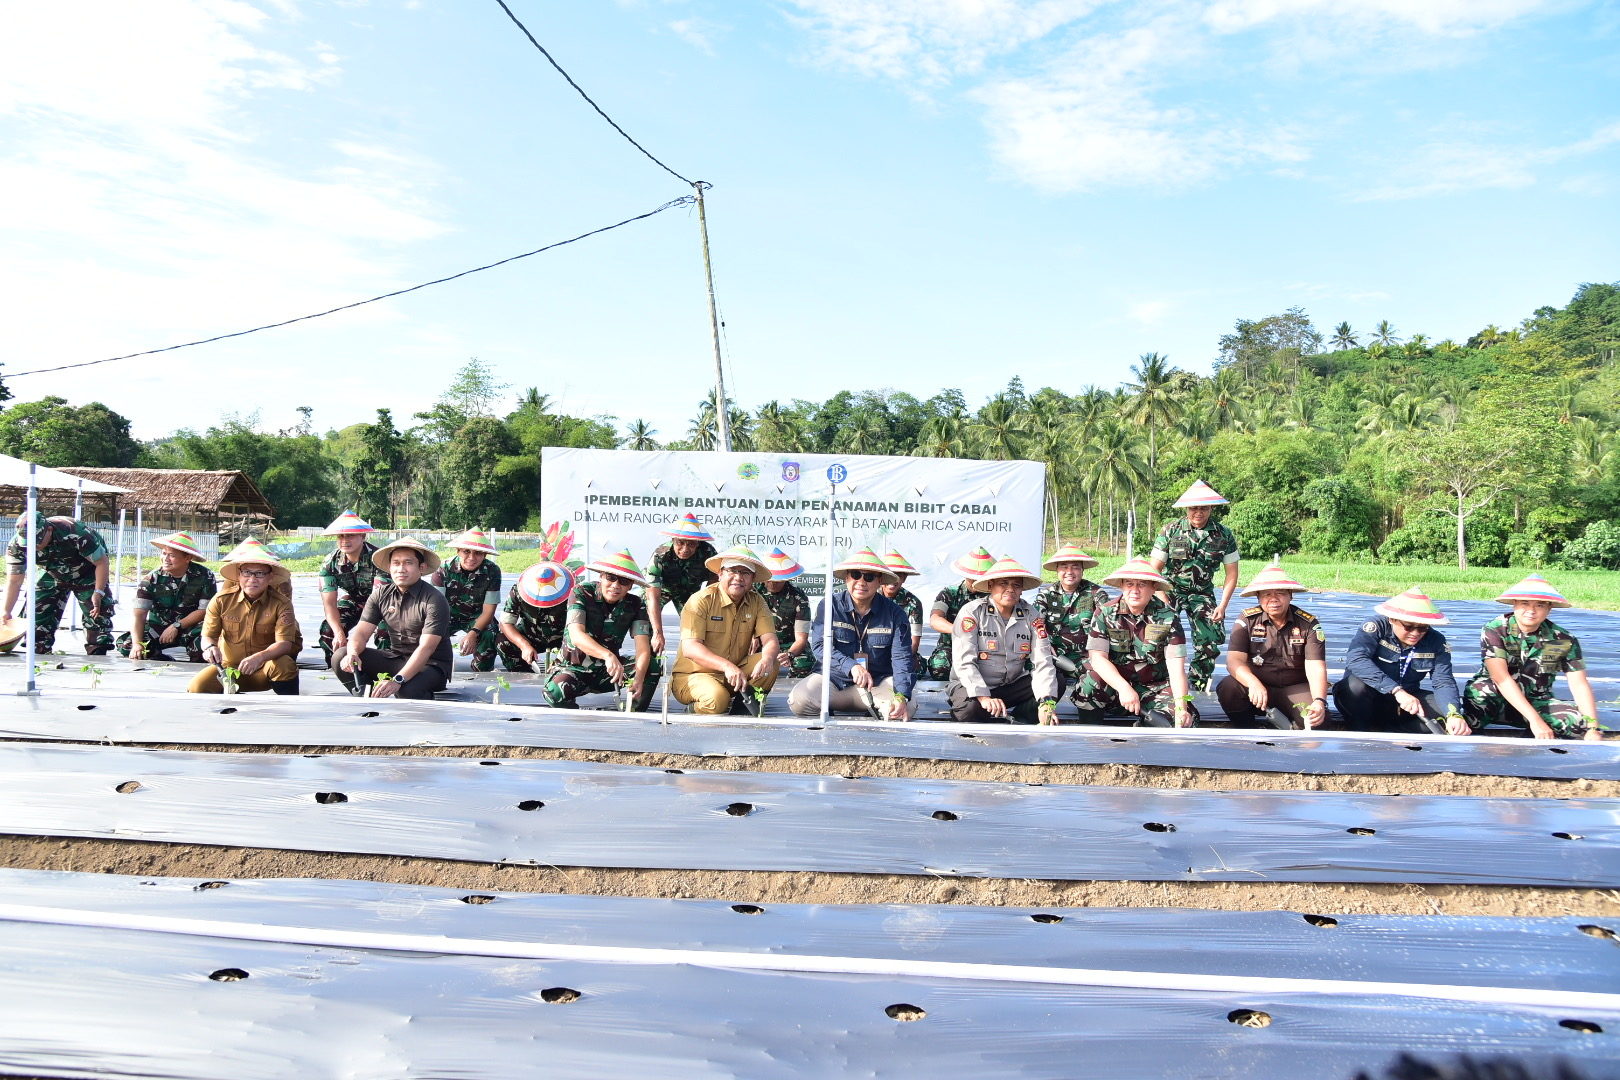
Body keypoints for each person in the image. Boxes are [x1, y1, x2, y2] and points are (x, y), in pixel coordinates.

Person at [1461, 575, 1603, 741]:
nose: (1531, 610)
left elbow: (1579, 684)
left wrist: (1593, 728)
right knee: (1481, 692)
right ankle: (1476, 736)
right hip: (1495, 699)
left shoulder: (1564, 639)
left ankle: (1530, 739)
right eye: (1525, 603)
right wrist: (1536, 721)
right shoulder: (1496, 629)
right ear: (1515, 604)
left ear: (1549, 608)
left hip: (1536, 700)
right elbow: (1500, 679)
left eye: (1540, 605)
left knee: (1577, 723)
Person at [790, 548, 915, 719]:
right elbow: (819, 646)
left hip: (876, 683)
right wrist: (851, 666)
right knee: (799, 700)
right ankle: (847, 710)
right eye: (856, 575)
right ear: (847, 577)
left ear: (879, 581)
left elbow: (902, 657)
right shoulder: (829, 605)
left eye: (869, 577)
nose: (861, 582)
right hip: (834, 683)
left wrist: (901, 695)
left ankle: (879, 707)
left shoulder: (895, 613)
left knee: (907, 706)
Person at [1072, 558, 1195, 727]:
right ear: (1122, 586)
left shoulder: (1168, 616)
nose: (1134, 591)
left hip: (1155, 688)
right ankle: (1092, 736)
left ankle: (1143, 732)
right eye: (1129, 584)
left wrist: (1181, 708)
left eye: (1142, 585)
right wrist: (1123, 688)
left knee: (1181, 719)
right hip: (1115, 686)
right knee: (1088, 685)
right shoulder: (1105, 612)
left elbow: (1176, 667)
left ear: (1154, 588)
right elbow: (1098, 658)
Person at [333, 537, 452, 700]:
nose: (401, 569)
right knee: (341, 656)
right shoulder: (381, 594)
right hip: (397, 658)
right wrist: (353, 653)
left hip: (430, 665)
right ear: (389, 567)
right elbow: (361, 633)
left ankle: (423, 696)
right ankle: (368, 697)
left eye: (408, 563)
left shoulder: (434, 600)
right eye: (396, 563)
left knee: (406, 691)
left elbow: (426, 648)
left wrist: (397, 680)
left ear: (421, 567)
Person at [1214, 563, 1329, 730]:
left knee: (1317, 720)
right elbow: (1234, 661)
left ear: (1291, 595)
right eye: (1267, 594)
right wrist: (1253, 683)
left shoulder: (1308, 624)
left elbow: (1315, 667)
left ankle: (1294, 734)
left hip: (1294, 687)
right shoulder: (1247, 620)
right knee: (1228, 688)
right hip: (1257, 687)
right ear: (1258, 598)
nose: (1273, 599)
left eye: (1280, 593)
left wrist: (1319, 701)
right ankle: (1247, 731)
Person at [1149, 480, 1240, 691]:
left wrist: (1223, 606)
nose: (1198, 512)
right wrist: (1163, 600)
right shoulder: (1171, 531)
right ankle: (1158, 681)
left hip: (1203, 592)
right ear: (1187, 509)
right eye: (1193, 508)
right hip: (1169, 589)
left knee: (1210, 638)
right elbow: (1155, 569)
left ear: (1211, 508)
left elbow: (1232, 574)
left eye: (1203, 508)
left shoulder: (1223, 535)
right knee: (1158, 633)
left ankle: (1199, 683)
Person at [1334, 589, 1462, 735]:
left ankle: (1392, 733)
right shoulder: (1375, 627)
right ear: (1392, 619)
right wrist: (1396, 690)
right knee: (1354, 686)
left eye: (1422, 628)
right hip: (1368, 698)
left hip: (1404, 704)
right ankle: (1360, 731)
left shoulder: (1437, 641)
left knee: (1444, 712)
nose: (1415, 633)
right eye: (1408, 626)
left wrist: (1454, 715)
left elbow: (1443, 681)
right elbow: (1356, 659)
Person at [542, 550, 660, 711]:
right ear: (601, 577)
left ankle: (635, 713)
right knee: (554, 693)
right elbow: (576, 635)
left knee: (650, 666)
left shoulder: (635, 604)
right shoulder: (581, 592)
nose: (615, 585)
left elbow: (643, 647)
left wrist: (638, 678)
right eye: (611, 578)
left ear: (631, 585)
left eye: (624, 581)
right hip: (572, 668)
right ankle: (573, 715)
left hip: (608, 672)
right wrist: (608, 655)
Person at [948, 555, 1059, 724]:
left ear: (1022, 590)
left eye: (1016, 585)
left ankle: (1023, 717)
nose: (1010, 589)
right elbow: (964, 662)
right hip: (973, 685)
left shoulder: (1031, 615)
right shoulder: (972, 612)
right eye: (1004, 583)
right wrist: (984, 697)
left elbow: (1042, 660)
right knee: (969, 710)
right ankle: (989, 711)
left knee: (1057, 681)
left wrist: (1046, 703)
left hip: (1010, 686)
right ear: (991, 585)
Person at [671, 544, 778, 715]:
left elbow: (770, 640)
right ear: (720, 574)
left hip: (734, 674)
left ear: (753, 578)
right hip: (694, 675)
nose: (738, 577)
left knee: (771, 662)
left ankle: (744, 711)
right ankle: (693, 710)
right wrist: (727, 666)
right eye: (732, 571)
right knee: (716, 700)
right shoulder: (701, 600)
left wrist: (767, 658)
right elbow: (691, 648)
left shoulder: (757, 601)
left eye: (745, 573)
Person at [187, 539, 300, 695]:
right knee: (197, 686)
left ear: (270, 577)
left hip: (264, 669)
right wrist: (209, 648)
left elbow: (285, 644)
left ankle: (289, 708)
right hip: (229, 670)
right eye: (247, 573)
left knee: (285, 665)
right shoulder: (221, 600)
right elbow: (208, 636)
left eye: (259, 574)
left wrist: (259, 658)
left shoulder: (281, 603)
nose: (252, 579)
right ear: (238, 575)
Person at [3, 510, 113, 654]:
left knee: (97, 611)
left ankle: (96, 645)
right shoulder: (16, 546)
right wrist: (6, 611)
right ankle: (40, 644)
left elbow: (102, 562)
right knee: (35, 611)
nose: (34, 546)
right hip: (52, 572)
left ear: (49, 530)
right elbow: (14, 581)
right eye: (29, 543)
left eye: (38, 541)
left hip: (88, 571)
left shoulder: (75, 532)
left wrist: (98, 592)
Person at [114, 531, 217, 662]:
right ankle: (161, 659)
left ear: (188, 558)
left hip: (190, 628)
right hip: (158, 629)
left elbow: (205, 610)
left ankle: (197, 662)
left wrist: (176, 626)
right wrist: (137, 645)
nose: (165, 559)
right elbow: (138, 615)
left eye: (172, 555)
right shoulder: (151, 579)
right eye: (163, 553)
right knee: (126, 644)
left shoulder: (204, 575)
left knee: (207, 642)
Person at [315, 510, 391, 665]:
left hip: (383, 604)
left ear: (363, 536)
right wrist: (339, 633)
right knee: (328, 629)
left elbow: (377, 601)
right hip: (355, 600)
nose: (344, 540)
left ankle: (387, 667)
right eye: (341, 536)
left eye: (350, 535)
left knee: (386, 631)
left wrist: (358, 638)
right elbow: (329, 604)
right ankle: (337, 665)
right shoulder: (330, 562)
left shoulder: (378, 559)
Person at [1033, 543, 1108, 697]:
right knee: (1037, 680)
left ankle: (1087, 717)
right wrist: (1045, 644)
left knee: (1098, 682)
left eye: (1075, 567)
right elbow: (1036, 624)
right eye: (1064, 567)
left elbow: (1108, 623)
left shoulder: (1096, 594)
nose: (1069, 572)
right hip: (1054, 655)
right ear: (1057, 570)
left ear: (1082, 570)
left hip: (1086, 656)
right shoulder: (1046, 595)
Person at [644, 512, 719, 658]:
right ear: (673, 540)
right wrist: (658, 632)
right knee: (648, 621)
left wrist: (703, 604)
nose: (685, 549)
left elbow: (714, 581)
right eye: (680, 543)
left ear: (698, 543)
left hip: (689, 591)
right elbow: (653, 596)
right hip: (662, 589)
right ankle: (650, 662)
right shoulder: (660, 555)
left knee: (697, 625)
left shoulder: (708, 552)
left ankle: (696, 661)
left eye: (691, 544)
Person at [432, 528, 502, 671]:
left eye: (478, 553)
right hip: (446, 615)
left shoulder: (492, 571)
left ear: (485, 555)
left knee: (490, 633)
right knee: (430, 631)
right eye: (466, 551)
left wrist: (473, 633)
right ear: (458, 551)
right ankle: (435, 666)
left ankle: (481, 670)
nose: (471, 557)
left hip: (477, 616)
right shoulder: (443, 570)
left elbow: (488, 611)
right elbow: (435, 608)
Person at [923, 547, 994, 680]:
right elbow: (935, 619)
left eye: (979, 577)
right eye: (972, 577)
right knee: (939, 669)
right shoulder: (950, 593)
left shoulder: (994, 596)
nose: (975, 580)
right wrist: (961, 630)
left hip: (986, 646)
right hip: (953, 645)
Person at [495, 561, 572, 672]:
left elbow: (581, 627)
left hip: (564, 637)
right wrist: (524, 645)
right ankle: (523, 674)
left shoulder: (573, 592)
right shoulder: (518, 591)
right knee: (502, 641)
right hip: (531, 635)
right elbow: (506, 623)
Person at [756, 547, 814, 677]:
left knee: (804, 663)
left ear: (786, 578)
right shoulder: (754, 591)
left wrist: (790, 654)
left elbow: (801, 638)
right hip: (758, 643)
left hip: (788, 644)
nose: (772, 584)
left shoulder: (798, 596)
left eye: (777, 580)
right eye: (769, 579)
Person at [879, 550, 925, 658]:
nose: (892, 580)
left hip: (901, 651)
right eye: (889, 575)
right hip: (873, 650)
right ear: (881, 577)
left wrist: (899, 661)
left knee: (915, 666)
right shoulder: (870, 597)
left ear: (904, 578)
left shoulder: (913, 603)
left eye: (897, 575)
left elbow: (914, 641)